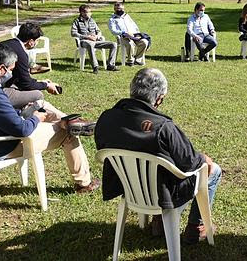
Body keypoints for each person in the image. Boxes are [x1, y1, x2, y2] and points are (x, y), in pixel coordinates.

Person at [95, 68, 222, 244]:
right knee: (213, 169)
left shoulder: (106, 118)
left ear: (132, 89)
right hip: (163, 193)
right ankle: (196, 227)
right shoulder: (163, 127)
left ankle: (158, 220)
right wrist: (204, 159)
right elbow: (190, 163)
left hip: (128, 186)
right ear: (160, 98)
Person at [0, 44, 100, 193]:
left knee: (42, 105)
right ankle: (84, 184)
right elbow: (22, 129)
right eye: (11, 70)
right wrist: (36, 118)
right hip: (3, 146)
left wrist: (25, 112)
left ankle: (68, 120)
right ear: (0, 69)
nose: (10, 74)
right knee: (68, 133)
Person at [0, 23, 63, 111]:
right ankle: (33, 118)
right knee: (37, 95)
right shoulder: (20, 54)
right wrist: (47, 86)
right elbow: (26, 85)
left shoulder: (5, 43)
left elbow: (21, 78)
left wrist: (40, 82)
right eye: (37, 40)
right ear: (31, 41)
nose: (37, 43)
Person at [71, 4, 118, 74]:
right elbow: (73, 33)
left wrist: (97, 36)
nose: (90, 13)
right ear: (82, 13)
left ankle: (110, 65)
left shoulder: (92, 20)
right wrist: (87, 37)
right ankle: (95, 66)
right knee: (90, 44)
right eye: (88, 12)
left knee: (113, 44)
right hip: (84, 41)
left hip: (96, 40)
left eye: (90, 12)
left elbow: (98, 31)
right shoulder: (77, 21)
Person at [108, 2, 150, 66]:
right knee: (130, 43)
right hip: (123, 37)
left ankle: (137, 59)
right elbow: (113, 31)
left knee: (145, 42)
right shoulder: (112, 19)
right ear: (114, 9)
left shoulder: (127, 16)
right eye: (117, 9)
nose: (119, 10)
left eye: (120, 8)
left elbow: (134, 25)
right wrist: (123, 33)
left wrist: (137, 34)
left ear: (123, 8)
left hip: (134, 35)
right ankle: (130, 60)